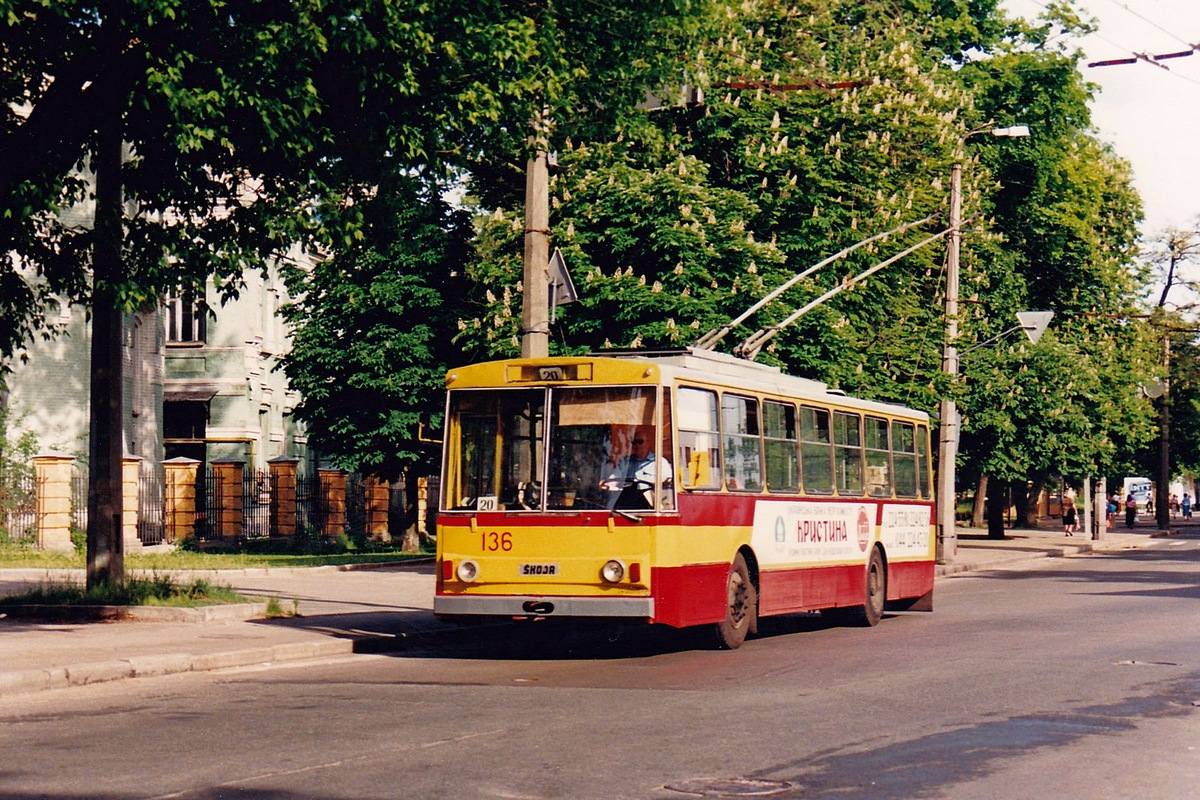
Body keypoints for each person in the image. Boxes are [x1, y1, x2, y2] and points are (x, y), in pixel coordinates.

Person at [601, 429, 671, 510]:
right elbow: (615, 477)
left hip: (650, 504)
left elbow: (667, 484)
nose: (637, 445)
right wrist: (608, 484)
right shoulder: (626, 461)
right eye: (634, 443)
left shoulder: (659, 462)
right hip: (627, 501)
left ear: (648, 443)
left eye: (640, 442)